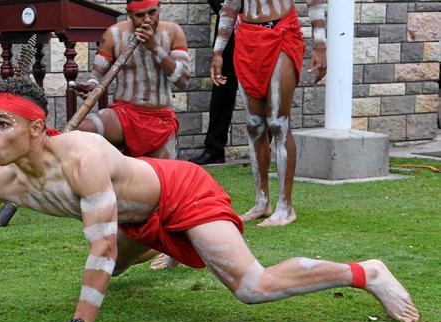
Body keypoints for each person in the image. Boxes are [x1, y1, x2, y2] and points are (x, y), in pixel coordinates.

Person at [0, 77, 419, 322]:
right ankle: (163, 254)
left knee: (251, 286)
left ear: (38, 128)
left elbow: (102, 247)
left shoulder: (84, 158)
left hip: (182, 194)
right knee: (111, 270)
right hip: (138, 219)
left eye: (2, 124)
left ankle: (368, 272)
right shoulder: (1, 180)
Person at [210, 0, 327, 227]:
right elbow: (230, 7)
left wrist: (320, 46)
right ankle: (262, 201)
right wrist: (218, 52)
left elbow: (315, 2)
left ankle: (286, 206)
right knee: (254, 124)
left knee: (278, 123)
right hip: (246, 36)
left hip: (281, 32)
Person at [71, 0, 189, 160]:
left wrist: (155, 48)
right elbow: (96, 76)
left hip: (161, 119)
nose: (147, 19)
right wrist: (91, 87)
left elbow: (182, 81)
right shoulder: (114, 33)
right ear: (129, 14)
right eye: (140, 15)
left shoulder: (173, 32)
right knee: (79, 129)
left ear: (159, 8)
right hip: (124, 114)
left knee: (162, 177)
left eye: (152, 13)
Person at [190, 0, 242, 166]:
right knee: (222, 91)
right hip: (229, 30)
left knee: (263, 90)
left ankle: (267, 147)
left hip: (261, 28)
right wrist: (228, 11)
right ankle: (214, 150)